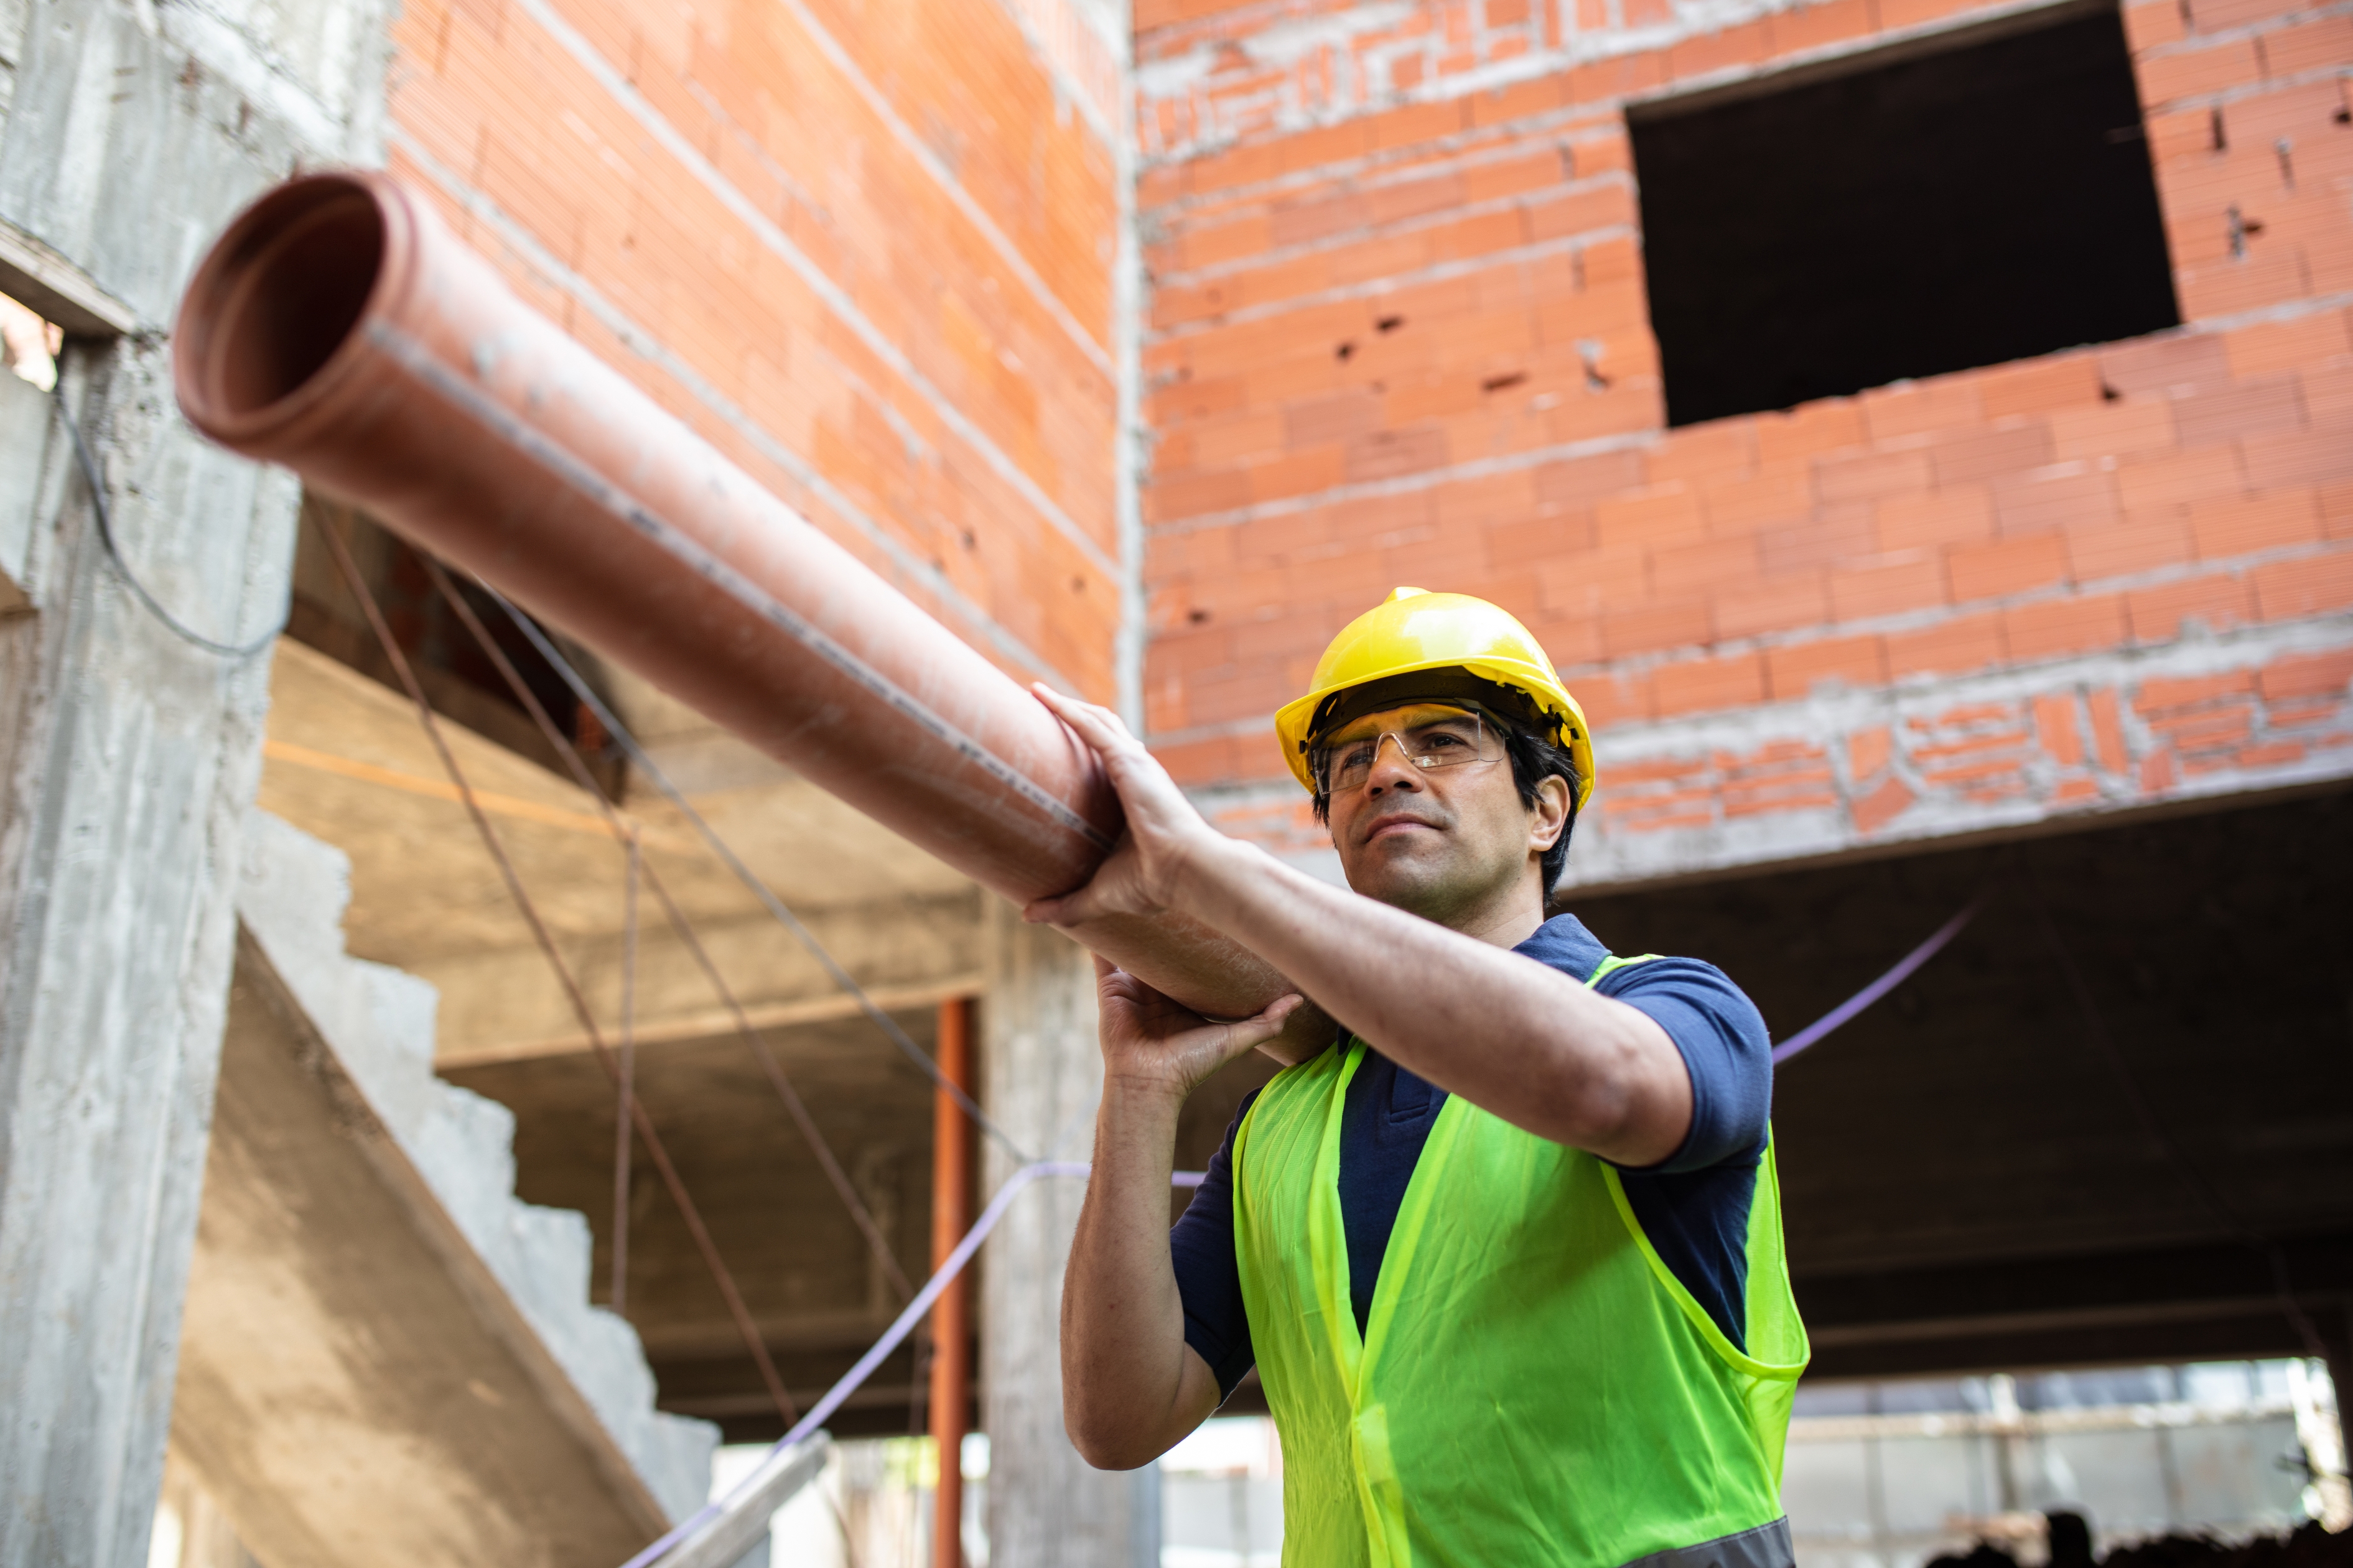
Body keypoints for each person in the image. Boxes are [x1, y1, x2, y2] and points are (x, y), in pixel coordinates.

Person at [1030, 587, 1809, 1568]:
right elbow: (1117, 1421)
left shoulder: (1675, 1010)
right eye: (1350, 760)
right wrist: (1137, 1093)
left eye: (1441, 741)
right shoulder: (1284, 1120)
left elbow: (1606, 1089)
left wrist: (1208, 873)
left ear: (1544, 807)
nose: (1385, 771)